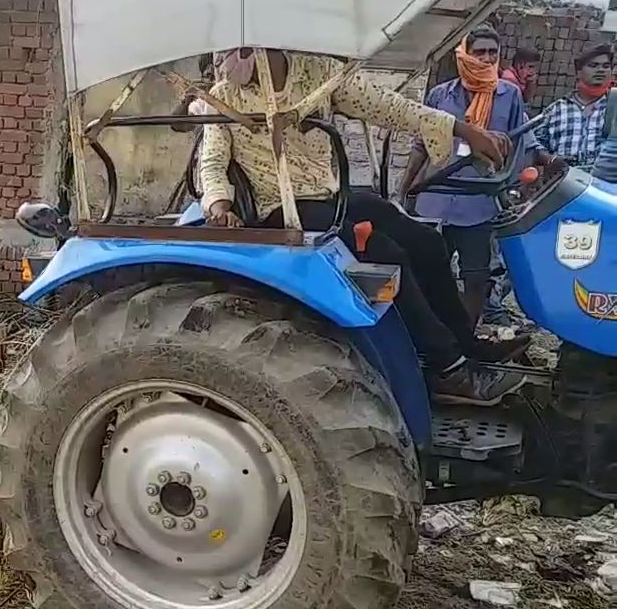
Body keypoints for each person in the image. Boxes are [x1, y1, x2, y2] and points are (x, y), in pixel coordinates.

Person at [199, 47, 529, 406]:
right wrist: (220, 204)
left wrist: (462, 130)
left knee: (426, 242)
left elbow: (387, 106)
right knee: (386, 256)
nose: (223, 62)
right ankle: (447, 367)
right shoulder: (223, 97)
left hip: (329, 195)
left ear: (261, 46)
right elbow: (212, 161)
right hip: (280, 207)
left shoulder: (320, 75)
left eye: (234, 51)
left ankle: (468, 342)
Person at [396, 27, 561, 325]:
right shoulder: (440, 95)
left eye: (492, 53)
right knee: (429, 274)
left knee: (476, 278)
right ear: (465, 54)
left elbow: (521, 144)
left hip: (479, 204)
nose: (486, 58)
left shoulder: (509, 95)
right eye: (479, 51)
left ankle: (466, 337)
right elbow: (421, 144)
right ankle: (432, 338)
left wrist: (522, 179)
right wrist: (404, 190)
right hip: (436, 198)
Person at [537, 45, 613, 169]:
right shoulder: (556, 110)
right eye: (593, 66)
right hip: (565, 183)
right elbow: (535, 146)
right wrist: (552, 160)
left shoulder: (613, 107)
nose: (601, 70)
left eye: (606, 66)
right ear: (578, 72)